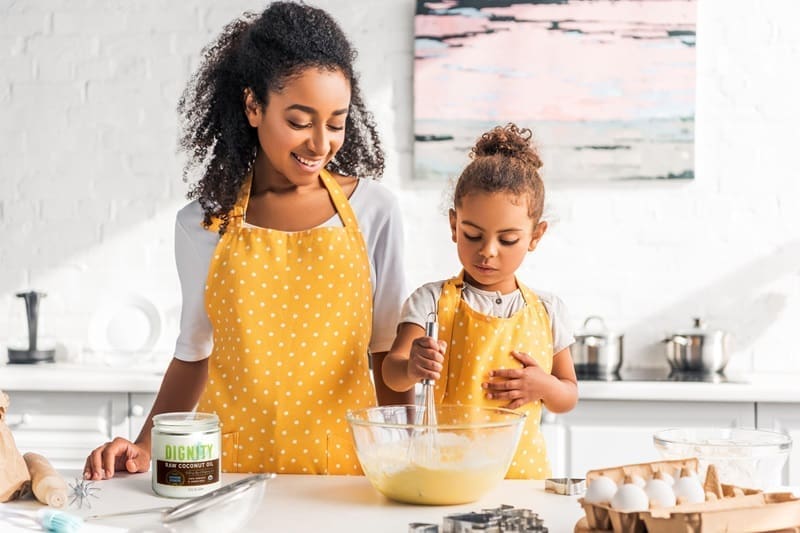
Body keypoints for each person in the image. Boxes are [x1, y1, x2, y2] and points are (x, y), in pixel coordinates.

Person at [84, 1, 411, 479]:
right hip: (232, 473)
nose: (321, 144)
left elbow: (386, 351)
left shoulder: (374, 211)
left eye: (336, 123)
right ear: (254, 107)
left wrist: (404, 462)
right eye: (300, 121)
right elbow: (194, 355)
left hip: (347, 470)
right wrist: (140, 444)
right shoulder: (202, 225)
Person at [382, 123, 578, 479]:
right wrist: (411, 365)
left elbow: (568, 394)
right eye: (473, 235)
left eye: (507, 240)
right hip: (446, 475)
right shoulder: (430, 301)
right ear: (454, 225)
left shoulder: (548, 311)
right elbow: (392, 373)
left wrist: (545, 386)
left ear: (536, 236)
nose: (487, 252)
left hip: (522, 478)